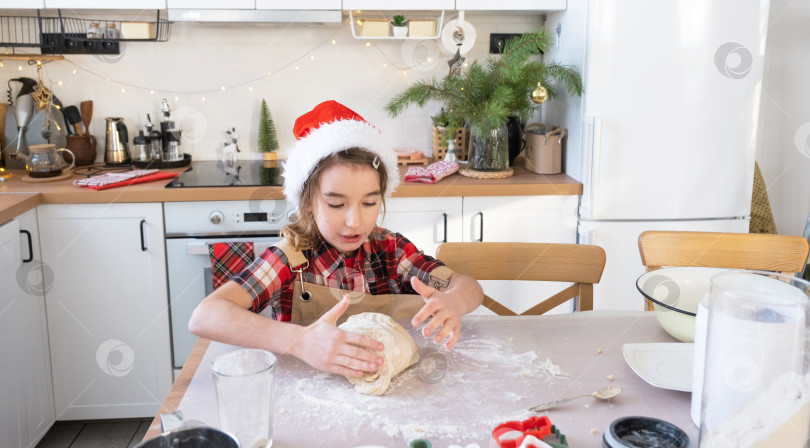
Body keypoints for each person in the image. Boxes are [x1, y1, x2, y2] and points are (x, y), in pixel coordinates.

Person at [189, 100, 483, 379]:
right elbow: (205, 316)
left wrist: (453, 301)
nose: (355, 222)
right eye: (336, 205)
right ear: (306, 202)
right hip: (303, 398)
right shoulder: (291, 259)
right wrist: (298, 341)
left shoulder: (391, 250)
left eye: (369, 203)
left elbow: (468, 286)